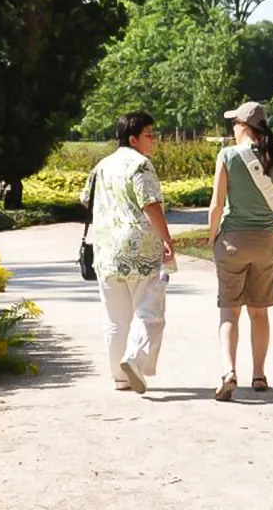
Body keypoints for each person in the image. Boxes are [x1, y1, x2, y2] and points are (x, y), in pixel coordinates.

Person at [80, 110, 176, 394]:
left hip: (106, 251)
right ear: (133, 139)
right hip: (140, 250)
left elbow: (86, 200)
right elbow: (150, 206)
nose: (154, 140)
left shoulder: (101, 166)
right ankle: (134, 361)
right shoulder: (141, 165)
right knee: (150, 312)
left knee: (115, 318)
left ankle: (119, 377)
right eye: (149, 135)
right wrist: (167, 239)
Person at [206, 101, 273, 401]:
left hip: (233, 240)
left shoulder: (228, 156)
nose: (232, 128)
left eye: (234, 123)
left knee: (230, 311)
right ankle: (259, 375)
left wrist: (211, 236)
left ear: (244, 126)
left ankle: (229, 371)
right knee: (259, 312)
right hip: (265, 242)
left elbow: (217, 204)